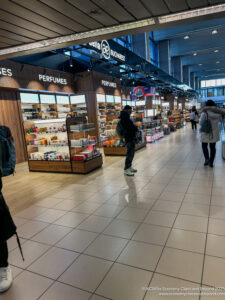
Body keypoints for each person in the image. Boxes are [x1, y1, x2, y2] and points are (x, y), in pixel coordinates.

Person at [199, 100, 225, 167]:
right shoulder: (219, 113)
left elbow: (200, 123)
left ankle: (207, 159)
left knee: (204, 145)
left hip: (206, 132)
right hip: (214, 132)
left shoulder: (204, 113)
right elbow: (221, 121)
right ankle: (211, 162)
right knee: (213, 147)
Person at [119, 105, 138, 176]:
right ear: (126, 110)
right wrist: (135, 128)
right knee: (129, 153)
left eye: (131, 110)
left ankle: (129, 167)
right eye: (129, 110)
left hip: (130, 137)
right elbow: (128, 127)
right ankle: (126, 169)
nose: (130, 111)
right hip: (128, 138)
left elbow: (130, 126)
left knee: (131, 153)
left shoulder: (126, 117)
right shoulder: (124, 117)